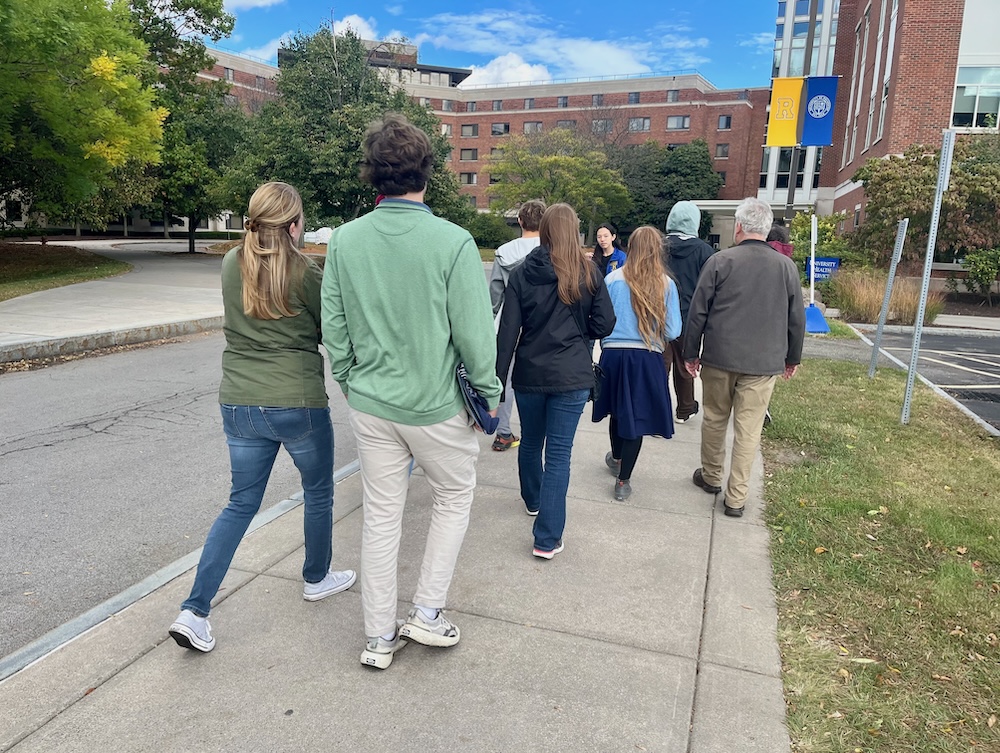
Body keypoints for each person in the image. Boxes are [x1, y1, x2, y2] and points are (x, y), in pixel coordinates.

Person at [322, 113, 502, 670]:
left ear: (372, 174)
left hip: (372, 403)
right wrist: (488, 396)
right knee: (453, 497)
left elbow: (334, 326)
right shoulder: (452, 242)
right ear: (427, 171)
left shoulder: (346, 241)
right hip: (434, 405)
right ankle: (425, 613)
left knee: (381, 515)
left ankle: (378, 637)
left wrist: (351, 382)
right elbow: (475, 332)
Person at [168, 181, 355, 653]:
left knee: (240, 504)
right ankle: (316, 576)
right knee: (318, 493)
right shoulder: (307, 272)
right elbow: (329, 330)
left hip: (240, 400)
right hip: (297, 400)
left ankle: (194, 610)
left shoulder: (232, 262)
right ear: (294, 225)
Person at [496, 204, 616, 559]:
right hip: (572, 374)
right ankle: (547, 538)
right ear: (573, 231)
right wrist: (581, 333)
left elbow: (507, 333)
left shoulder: (521, 273)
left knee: (531, 442)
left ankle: (533, 500)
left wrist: (498, 382)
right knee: (559, 454)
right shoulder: (589, 272)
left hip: (530, 372)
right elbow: (605, 323)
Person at [683, 198, 805, 518]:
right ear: (765, 230)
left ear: (739, 227)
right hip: (763, 363)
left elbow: (698, 312)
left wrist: (691, 353)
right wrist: (792, 358)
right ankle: (736, 498)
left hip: (720, 356)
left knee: (714, 419)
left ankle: (711, 477)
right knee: (748, 430)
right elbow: (796, 318)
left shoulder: (720, 261)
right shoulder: (785, 267)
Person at [595, 226, 681, 500]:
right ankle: (623, 481)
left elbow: (601, 321)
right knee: (637, 415)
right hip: (646, 356)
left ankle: (617, 457)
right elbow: (673, 330)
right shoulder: (666, 284)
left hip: (614, 355)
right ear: (658, 251)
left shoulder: (613, 279)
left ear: (630, 248)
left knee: (617, 411)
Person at [489, 199, 547, 452]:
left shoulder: (504, 252)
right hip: (543, 326)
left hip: (509, 325)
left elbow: (494, 296)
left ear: (520, 221)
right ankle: (535, 433)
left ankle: (503, 432)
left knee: (505, 378)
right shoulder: (552, 251)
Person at [662, 201, 715, 423]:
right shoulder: (705, 251)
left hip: (660, 314)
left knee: (660, 365)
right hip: (690, 316)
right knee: (686, 363)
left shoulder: (659, 246)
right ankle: (684, 409)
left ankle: (656, 409)